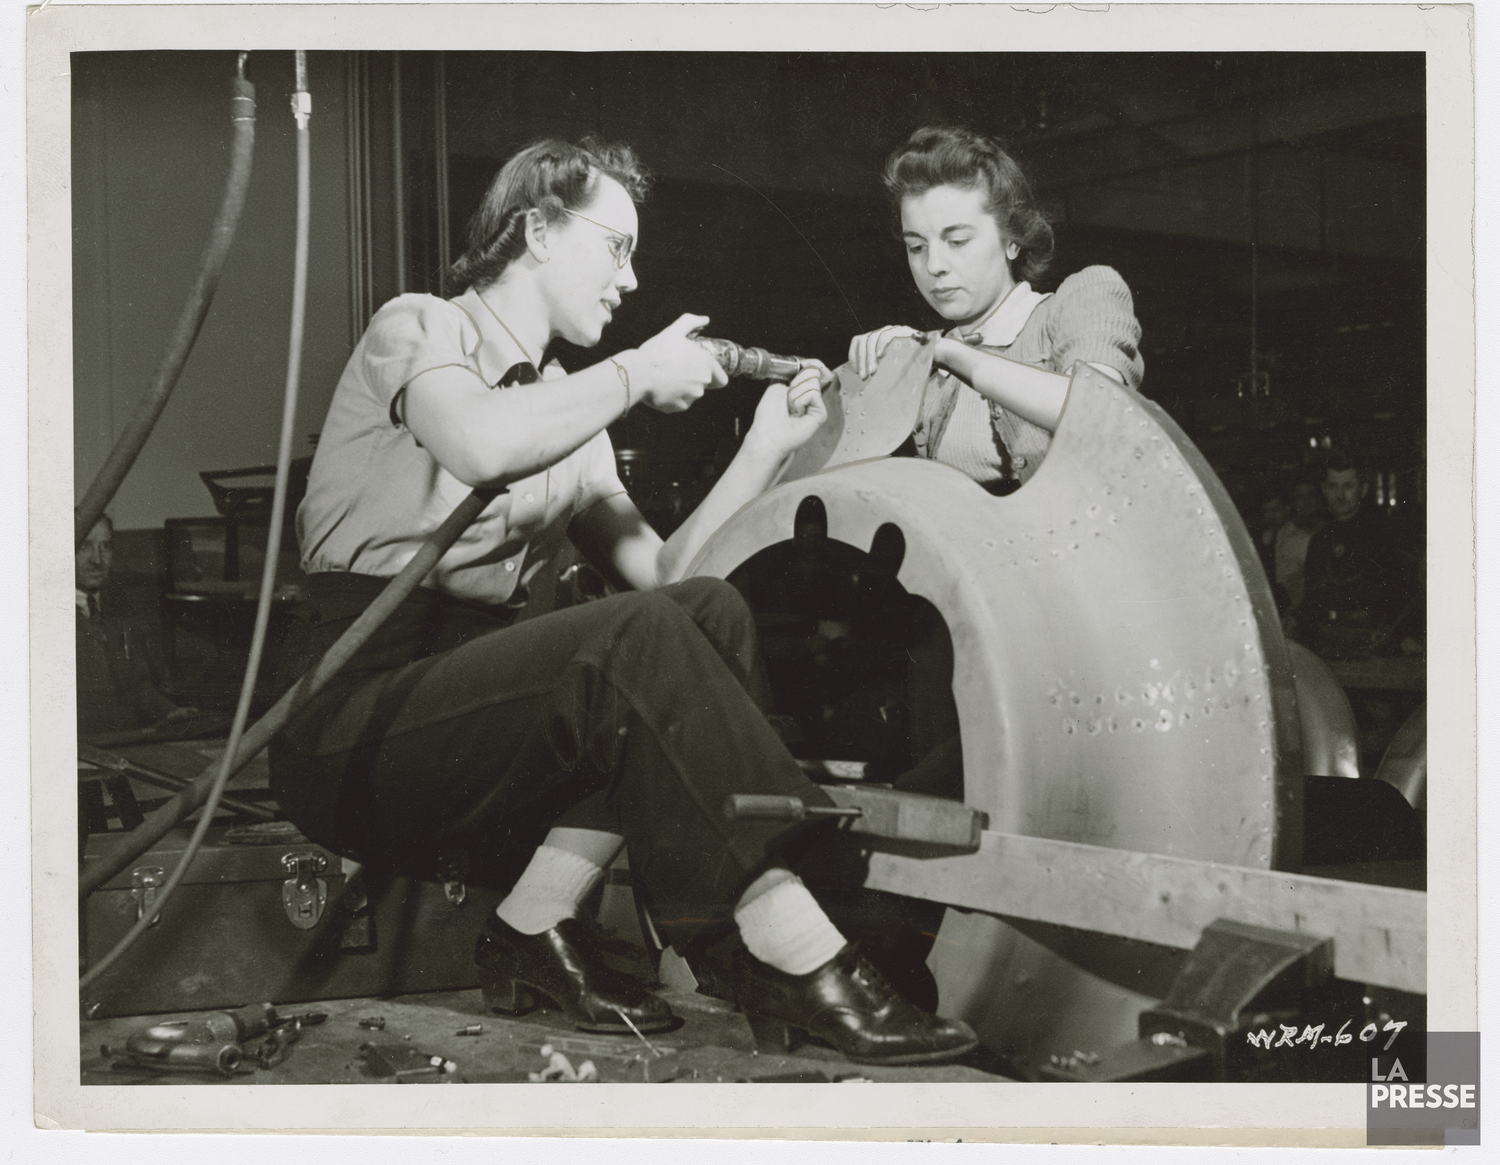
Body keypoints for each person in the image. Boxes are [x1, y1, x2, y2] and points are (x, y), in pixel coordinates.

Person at [270, 137, 977, 1065]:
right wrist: (638, 375)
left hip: (470, 713)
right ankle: (788, 947)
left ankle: (533, 923)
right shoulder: (420, 328)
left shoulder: (571, 408)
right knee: (643, 636)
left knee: (700, 616)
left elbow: (675, 579)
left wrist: (764, 448)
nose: (631, 279)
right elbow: (481, 445)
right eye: (616, 247)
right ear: (536, 229)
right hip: (356, 717)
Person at [847, 125, 1144, 494]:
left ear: (1012, 241)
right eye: (917, 247)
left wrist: (946, 352)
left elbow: (1099, 409)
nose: (934, 264)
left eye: (957, 241)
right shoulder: (931, 358)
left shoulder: (1085, 295)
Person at [75, 514, 196, 738]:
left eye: (106, 547)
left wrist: (170, 713)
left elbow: (136, 686)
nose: (97, 559)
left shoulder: (120, 608)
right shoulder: (45, 618)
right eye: (85, 547)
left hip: (127, 747)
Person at [1294, 453, 1416, 659]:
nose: (1340, 495)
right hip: (1328, 647)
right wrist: (1293, 620)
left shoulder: (1385, 534)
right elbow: (1312, 600)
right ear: (1324, 490)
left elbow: (1403, 595)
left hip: (1376, 646)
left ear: (1363, 489)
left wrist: (1399, 635)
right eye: (1333, 487)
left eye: (1348, 486)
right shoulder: (1320, 541)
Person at [1273, 479, 1324, 612]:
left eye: (1311, 495)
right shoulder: (1282, 536)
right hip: (1293, 612)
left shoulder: (1328, 532)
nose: (1306, 501)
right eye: (1300, 496)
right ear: (1292, 501)